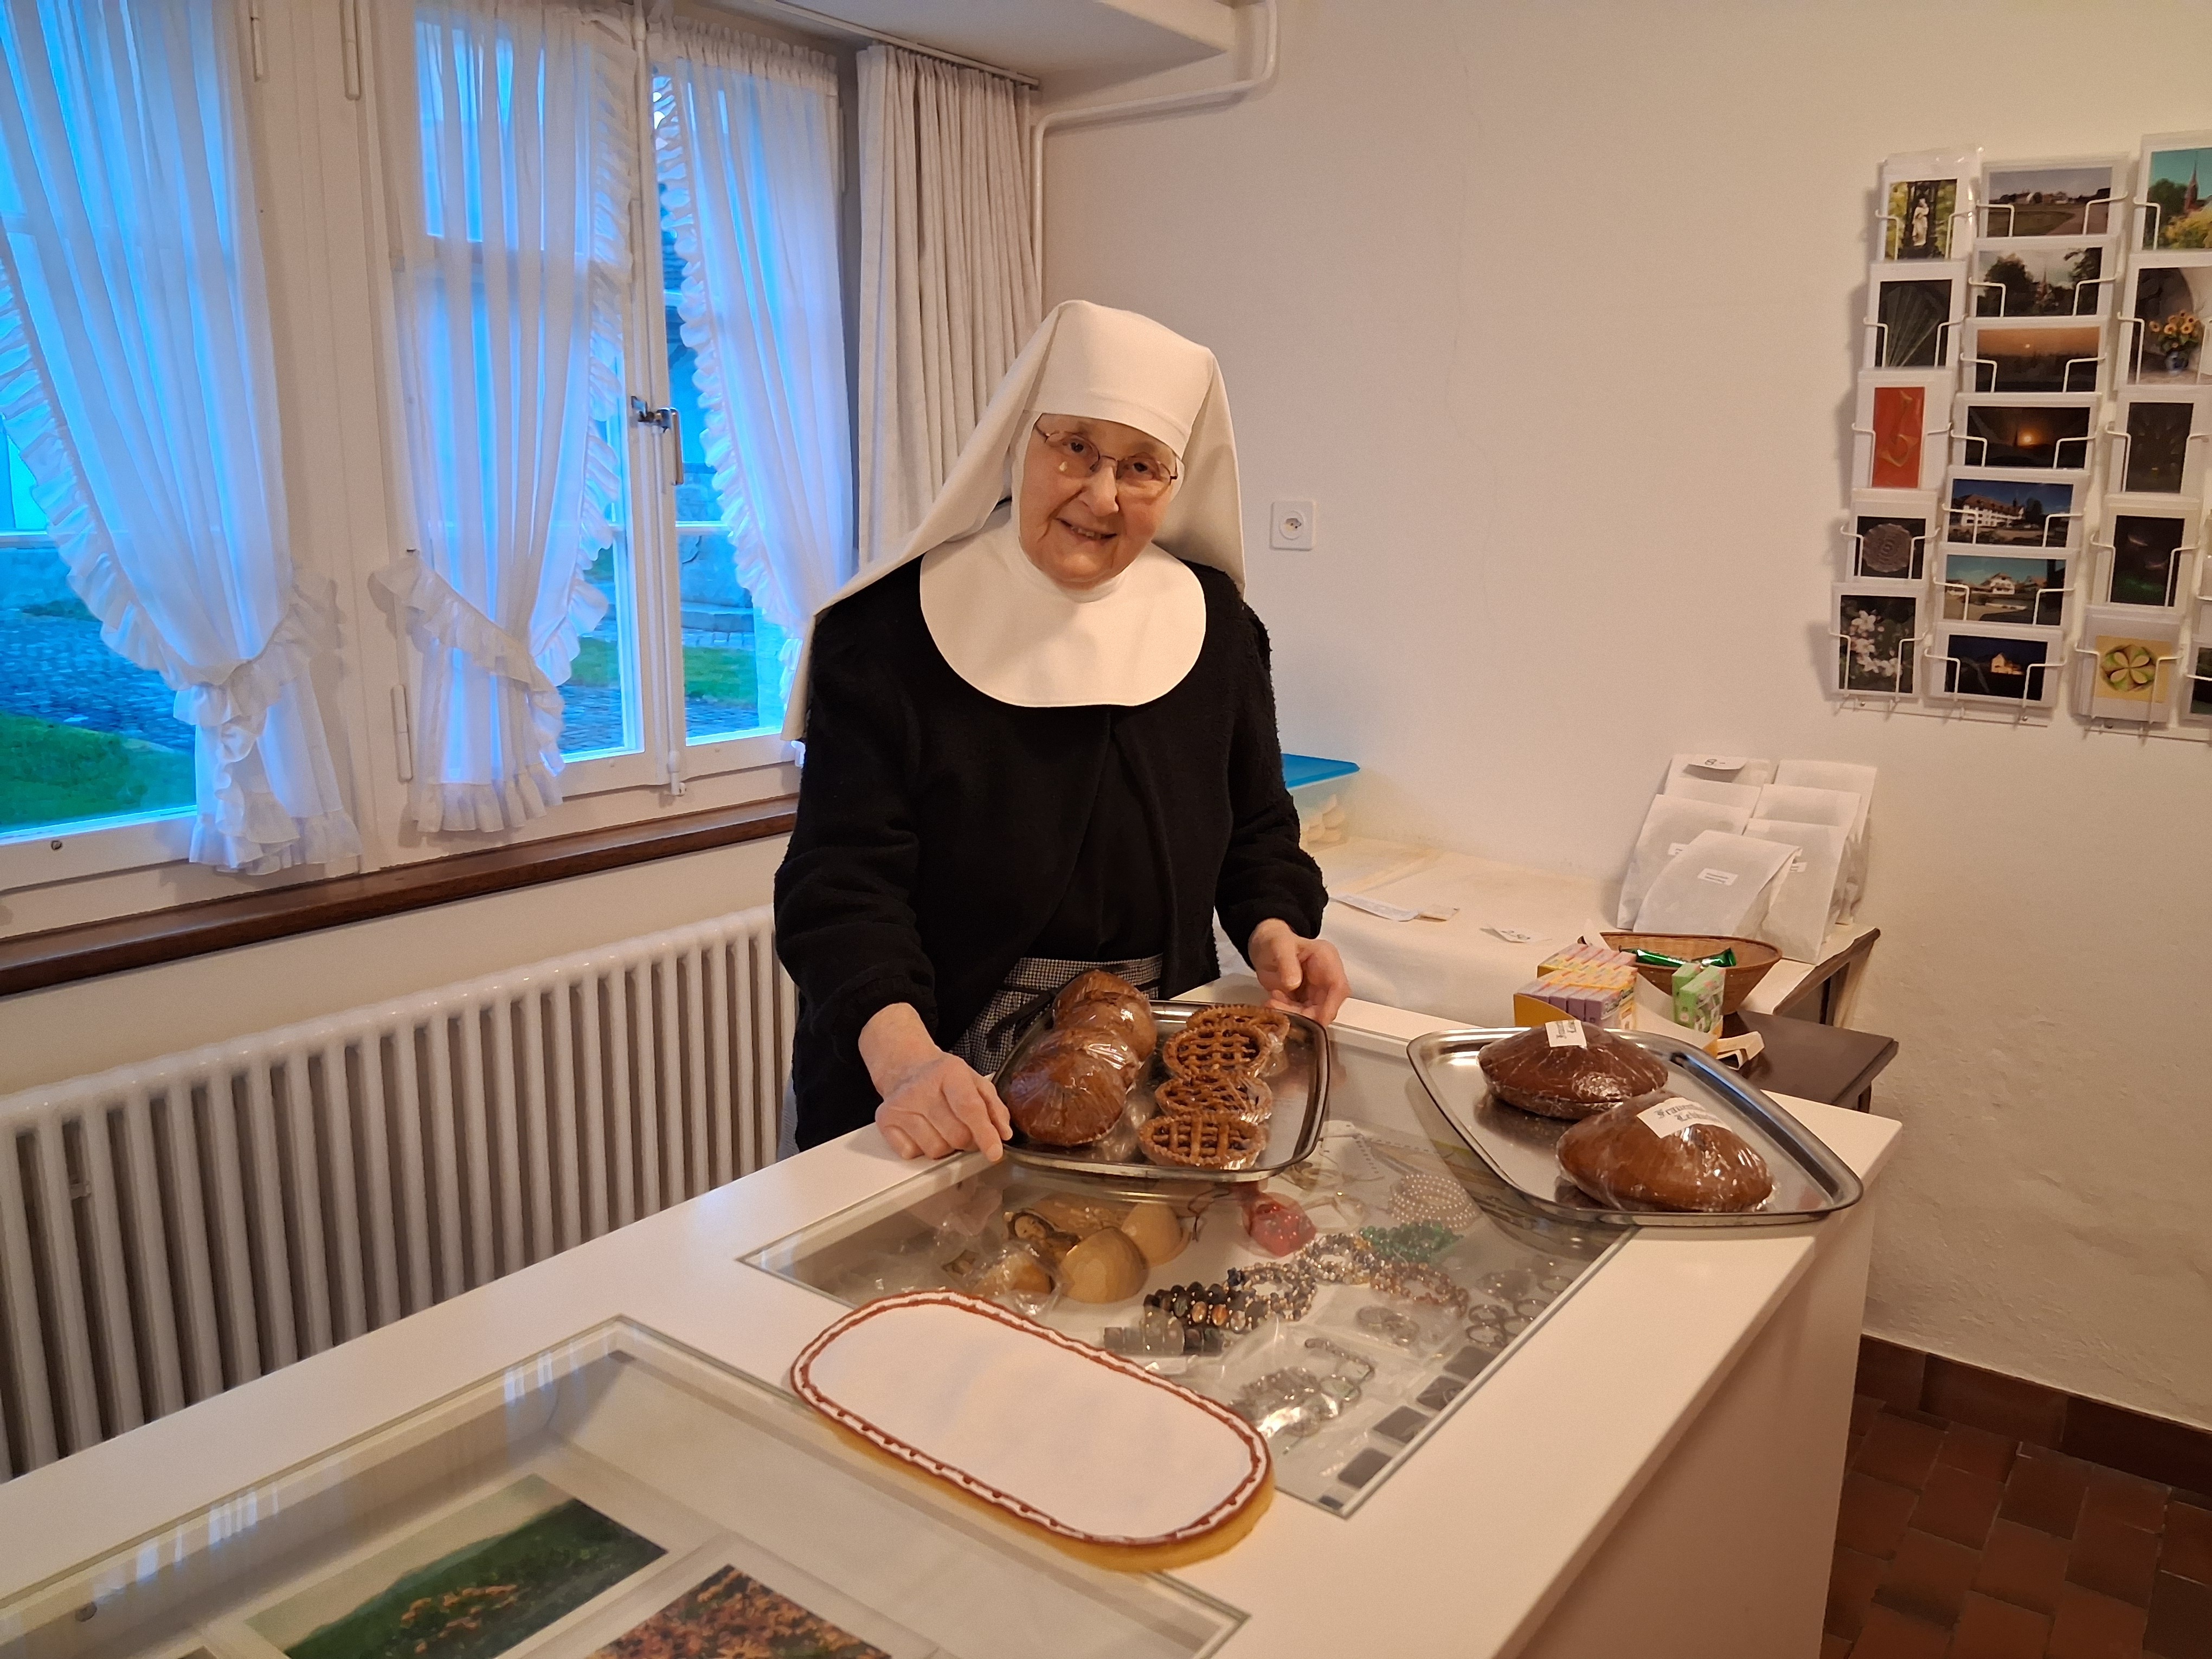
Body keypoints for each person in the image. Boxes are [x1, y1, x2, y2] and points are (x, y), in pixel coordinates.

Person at [774, 300, 1346, 1160]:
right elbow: (841, 888)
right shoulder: (888, 633)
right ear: (1022, 439)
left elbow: (1258, 829)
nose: (1102, 495)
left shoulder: (1216, 626)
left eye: (1144, 467)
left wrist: (1277, 931)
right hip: (939, 1073)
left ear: (1177, 483)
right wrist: (905, 1063)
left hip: (1147, 1072)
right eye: (1075, 446)